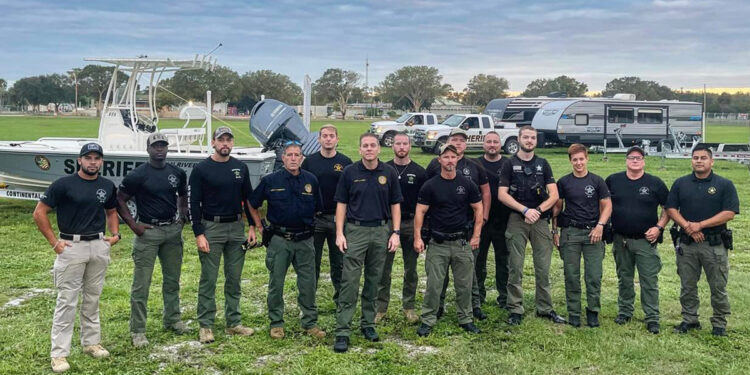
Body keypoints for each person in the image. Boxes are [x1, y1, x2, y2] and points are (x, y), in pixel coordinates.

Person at [33, 142, 120, 373]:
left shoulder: (106, 185)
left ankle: (91, 343)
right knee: (67, 302)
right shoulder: (63, 184)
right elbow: (39, 212)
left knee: (92, 298)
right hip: (72, 246)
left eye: (97, 158)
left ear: (101, 161)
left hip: (98, 246)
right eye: (88, 158)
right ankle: (59, 354)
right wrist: (55, 243)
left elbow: (111, 211)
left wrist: (114, 235)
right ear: (79, 160)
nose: (93, 162)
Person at [117, 132, 190, 348]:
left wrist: (183, 214)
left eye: (163, 145)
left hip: (172, 231)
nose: (160, 149)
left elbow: (182, 194)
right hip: (148, 232)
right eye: (155, 146)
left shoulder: (176, 173)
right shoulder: (138, 175)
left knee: (172, 280)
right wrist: (133, 224)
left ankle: (173, 319)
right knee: (141, 284)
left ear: (167, 148)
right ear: (148, 149)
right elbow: (120, 199)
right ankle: (138, 330)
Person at [332, 133, 403, 353]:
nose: (369, 149)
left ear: (379, 149)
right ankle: (343, 330)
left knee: (374, 280)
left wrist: (396, 233)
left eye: (373, 145)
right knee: (350, 282)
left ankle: (368, 324)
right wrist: (339, 233)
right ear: (360, 149)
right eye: (365, 146)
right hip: (355, 231)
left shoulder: (389, 172)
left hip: (381, 231)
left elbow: (395, 205)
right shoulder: (349, 173)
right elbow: (341, 204)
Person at [249, 141, 327, 340]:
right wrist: (259, 225)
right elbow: (252, 203)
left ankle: (309, 322)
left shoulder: (311, 180)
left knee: (308, 283)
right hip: (279, 240)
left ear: (302, 158)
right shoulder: (270, 180)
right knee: (276, 283)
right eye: (289, 155)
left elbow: (319, 208)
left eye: (297, 155)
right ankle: (276, 323)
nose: (293, 158)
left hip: (305, 240)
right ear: (282, 158)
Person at [189, 126, 257, 344]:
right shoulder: (202, 169)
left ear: (232, 143)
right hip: (212, 228)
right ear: (213, 143)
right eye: (221, 140)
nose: (225, 143)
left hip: (236, 228)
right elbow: (193, 204)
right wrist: (199, 233)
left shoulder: (240, 167)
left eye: (229, 139)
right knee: (209, 279)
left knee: (234, 278)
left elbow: (248, 199)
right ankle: (206, 325)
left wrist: (253, 227)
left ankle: (233, 322)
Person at [666, 144, 739, 337]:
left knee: (718, 286)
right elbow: (671, 208)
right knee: (687, 285)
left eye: (703, 158)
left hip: (714, 245)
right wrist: (689, 227)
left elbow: (729, 213)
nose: (699, 161)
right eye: (695, 157)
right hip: (687, 244)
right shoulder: (681, 183)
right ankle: (690, 320)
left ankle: (719, 323)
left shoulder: (724, 184)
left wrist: (701, 225)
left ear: (711, 161)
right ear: (691, 160)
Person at [498, 126, 565, 326]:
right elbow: (502, 194)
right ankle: (515, 309)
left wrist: (537, 209)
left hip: (540, 221)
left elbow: (553, 194)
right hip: (517, 219)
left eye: (532, 138)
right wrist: (525, 210)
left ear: (536, 141)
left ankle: (545, 308)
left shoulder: (543, 164)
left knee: (543, 267)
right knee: (515, 267)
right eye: (525, 137)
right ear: (518, 139)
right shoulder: (509, 164)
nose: (529, 141)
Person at [415, 144, 483, 337]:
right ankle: (428, 320)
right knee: (434, 286)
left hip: (461, 242)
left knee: (464, 285)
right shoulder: (430, 185)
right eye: (446, 157)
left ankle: (466, 319)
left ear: (458, 160)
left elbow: (478, 208)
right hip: (438, 244)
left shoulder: (467, 184)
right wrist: (418, 237)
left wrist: (476, 235)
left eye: (453, 157)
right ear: (440, 160)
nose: (450, 161)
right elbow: (420, 211)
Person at [426, 128, 491, 320]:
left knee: (468, 271)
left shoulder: (475, 165)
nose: (458, 143)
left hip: (468, 227)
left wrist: (483, 217)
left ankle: (474, 305)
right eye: (454, 139)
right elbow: (428, 192)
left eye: (462, 140)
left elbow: (485, 192)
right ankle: (438, 305)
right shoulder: (434, 164)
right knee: (440, 273)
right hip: (441, 227)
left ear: (466, 144)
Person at [605, 146, 670, 334]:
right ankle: (625, 312)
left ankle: (652, 317)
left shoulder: (655, 183)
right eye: (632, 157)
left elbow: (669, 208)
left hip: (645, 240)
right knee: (624, 278)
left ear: (644, 161)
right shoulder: (613, 181)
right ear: (626, 160)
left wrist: (659, 227)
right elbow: (603, 204)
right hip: (621, 239)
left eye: (639, 158)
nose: (635, 161)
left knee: (649, 280)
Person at [552, 144, 611, 328]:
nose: (578, 163)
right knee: (571, 275)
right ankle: (574, 312)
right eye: (575, 160)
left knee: (593, 275)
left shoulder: (597, 181)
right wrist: (555, 231)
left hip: (593, 233)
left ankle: (593, 311)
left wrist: (600, 226)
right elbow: (556, 209)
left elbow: (607, 206)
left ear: (587, 159)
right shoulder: (563, 182)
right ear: (570, 161)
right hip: (570, 233)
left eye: (581, 159)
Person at [376, 132, 427, 324]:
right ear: (392, 146)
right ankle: (380, 308)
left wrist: (420, 232)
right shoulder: (383, 169)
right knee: (383, 268)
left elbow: (424, 203)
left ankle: (409, 307)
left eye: (405, 143)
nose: (402, 147)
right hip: (388, 223)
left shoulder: (420, 172)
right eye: (398, 143)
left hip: (411, 223)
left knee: (411, 269)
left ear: (410, 146)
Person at [301, 124, 353, 307]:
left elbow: (351, 192)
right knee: (311, 263)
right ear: (319, 139)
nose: (328, 139)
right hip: (316, 220)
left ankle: (341, 301)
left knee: (339, 263)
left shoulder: (346, 162)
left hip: (338, 221)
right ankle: (308, 304)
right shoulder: (309, 162)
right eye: (325, 136)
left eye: (332, 136)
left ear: (337, 139)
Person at [475, 131, 512, 309]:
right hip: (480, 221)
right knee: (478, 260)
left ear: (500, 145)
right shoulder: (475, 164)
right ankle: (478, 296)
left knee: (503, 261)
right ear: (483, 144)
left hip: (504, 220)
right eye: (488, 142)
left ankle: (504, 297)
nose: (492, 145)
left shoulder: (508, 163)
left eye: (495, 142)